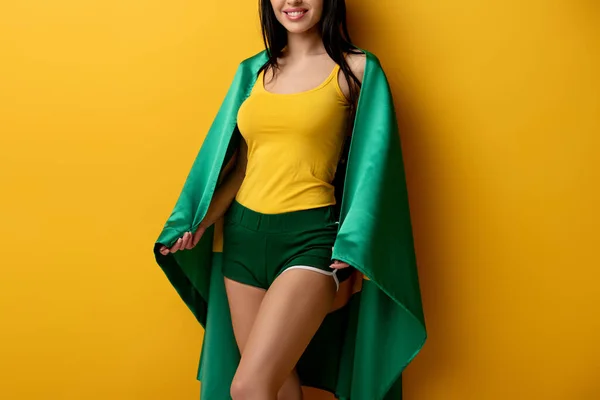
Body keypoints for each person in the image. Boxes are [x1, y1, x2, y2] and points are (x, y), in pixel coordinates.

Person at [154, 1, 426, 399]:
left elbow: (376, 166)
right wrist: (196, 223)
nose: (292, 2)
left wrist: (358, 241)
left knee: (248, 387)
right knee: (279, 389)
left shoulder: (357, 70)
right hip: (243, 242)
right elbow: (240, 167)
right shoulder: (254, 71)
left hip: (310, 240)